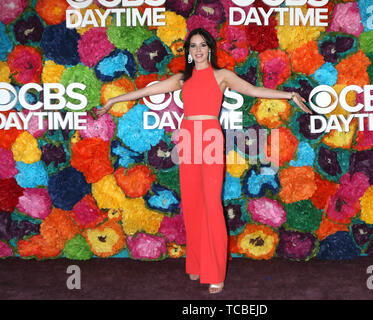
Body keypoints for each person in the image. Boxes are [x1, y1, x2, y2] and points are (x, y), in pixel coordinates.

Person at [96, 28, 312, 294]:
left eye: (202, 45)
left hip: (210, 137)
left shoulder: (222, 76)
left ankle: (215, 271)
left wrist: (289, 95)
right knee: (193, 204)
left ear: (210, 49)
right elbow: (141, 93)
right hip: (187, 139)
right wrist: (113, 100)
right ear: (188, 52)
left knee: (211, 205)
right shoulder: (181, 79)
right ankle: (197, 263)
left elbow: (254, 90)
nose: (197, 50)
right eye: (193, 46)